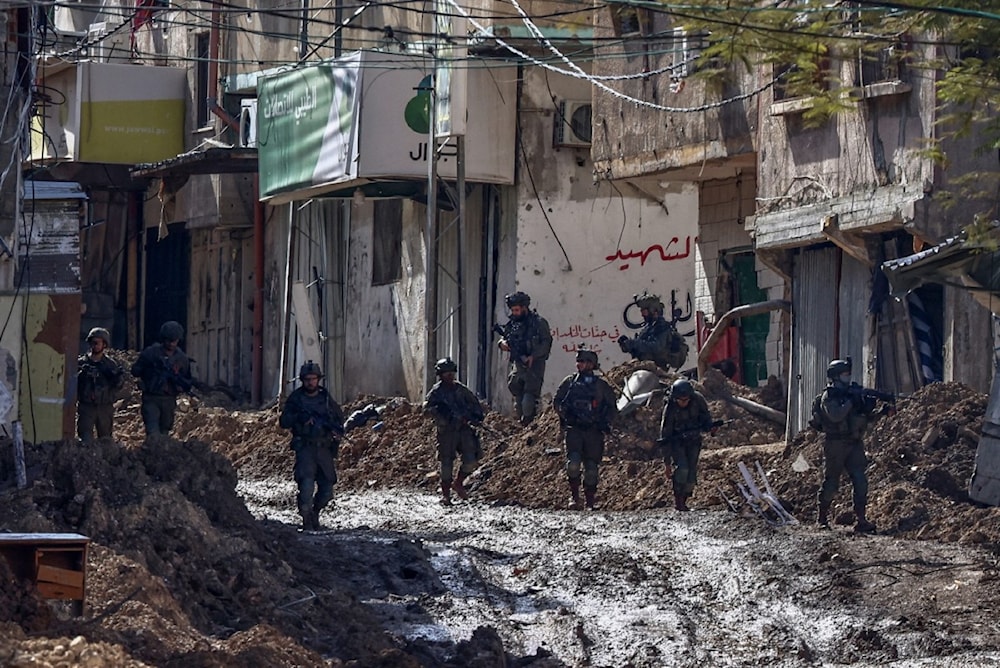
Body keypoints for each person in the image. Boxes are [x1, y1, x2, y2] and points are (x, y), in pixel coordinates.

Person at [809, 358, 878, 533]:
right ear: (835, 376)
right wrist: (850, 401)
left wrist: (877, 409)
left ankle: (861, 520)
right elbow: (836, 416)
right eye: (844, 374)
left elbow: (863, 417)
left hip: (854, 442)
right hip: (835, 444)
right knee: (832, 483)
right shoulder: (829, 397)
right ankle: (822, 517)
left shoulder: (850, 394)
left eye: (848, 374)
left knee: (860, 481)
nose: (847, 377)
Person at [279, 360, 346, 531]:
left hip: (324, 448)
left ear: (318, 379)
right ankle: (306, 518)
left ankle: (315, 512)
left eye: (314, 378)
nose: (311, 382)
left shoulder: (325, 398)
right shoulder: (296, 399)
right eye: (307, 379)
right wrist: (299, 419)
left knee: (327, 489)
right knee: (306, 486)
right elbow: (284, 422)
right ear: (303, 380)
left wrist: (336, 431)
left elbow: (338, 418)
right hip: (306, 448)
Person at [552, 345, 618, 510]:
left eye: (583, 361)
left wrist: (604, 421)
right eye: (578, 361)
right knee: (573, 464)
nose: (579, 364)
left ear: (591, 364)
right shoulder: (569, 382)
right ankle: (574, 498)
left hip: (593, 432)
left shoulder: (600, 386)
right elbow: (557, 402)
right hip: (574, 430)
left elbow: (612, 407)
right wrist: (566, 415)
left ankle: (590, 502)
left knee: (591, 469)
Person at [424, 357, 485, 506]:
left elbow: (474, 404)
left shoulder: (461, 389)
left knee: (471, 460)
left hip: (463, 430)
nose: (450, 376)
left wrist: (474, 417)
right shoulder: (436, 392)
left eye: (452, 372)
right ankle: (446, 495)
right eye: (446, 373)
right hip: (447, 432)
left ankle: (458, 483)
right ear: (440, 374)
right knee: (446, 464)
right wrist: (442, 413)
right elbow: (426, 409)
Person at [657, 378, 714, 511]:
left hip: (694, 441)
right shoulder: (670, 408)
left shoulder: (697, 400)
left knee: (691, 474)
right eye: (681, 400)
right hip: (677, 442)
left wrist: (710, 427)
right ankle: (678, 501)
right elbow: (665, 434)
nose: (684, 402)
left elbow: (706, 417)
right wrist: (666, 462)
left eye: (686, 399)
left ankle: (685, 499)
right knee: (682, 469)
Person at [496, 291, 552, 425]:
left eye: (517, 310)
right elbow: (504, 339)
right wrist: (502, 344)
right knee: (518, 397)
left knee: (529, 400)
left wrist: (534, 356)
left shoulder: (538, 323)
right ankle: (523, 426)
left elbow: (546, 343)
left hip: (534, 365)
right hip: (519, 364)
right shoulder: (513, 324)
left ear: (524, 308)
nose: (514, 313)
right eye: (513, 310)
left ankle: (531, 422)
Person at [131, 320, 193, 436]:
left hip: (169, 399)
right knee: (152, 431)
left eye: (174, 341)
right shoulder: (151, 353)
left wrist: (179, 384)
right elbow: (135, 370)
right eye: (168, 340)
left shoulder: (182, 359)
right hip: (151, 397)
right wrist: (150, 371)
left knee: (165, 430)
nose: (171, 344)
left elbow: (187, 380)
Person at [76, 327, 124, 442]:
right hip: (87, 406)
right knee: (85, 438)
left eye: (98, 343)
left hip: (104, 407)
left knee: (105, 439)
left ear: (104, 345)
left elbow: (118, 386)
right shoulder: (82, 363)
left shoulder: (110, 365)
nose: (95, 345)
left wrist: (115, 378)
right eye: (93, 342)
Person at [618, 292, 688, 371]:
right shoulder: (648, 328)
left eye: (644, 311)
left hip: (656, 370)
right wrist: (627, 345)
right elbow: (641, 347)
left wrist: (635, 343)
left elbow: (656, 347)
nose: (642, 314)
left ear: (653, 311)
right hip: (642, 369)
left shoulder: (662, 327)